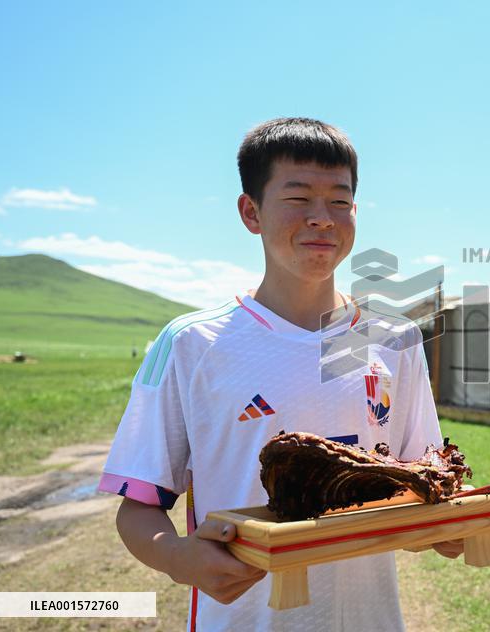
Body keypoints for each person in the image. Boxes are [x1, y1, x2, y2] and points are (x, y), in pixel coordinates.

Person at [97, 117, 462, 631]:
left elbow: (423, 488)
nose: (322, 218)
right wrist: (178, 558)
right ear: (251, 212)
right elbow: (138, 509)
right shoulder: (192, 343)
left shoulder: (396, 340)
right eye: (298, 198)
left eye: (340, 201)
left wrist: (448, 526)